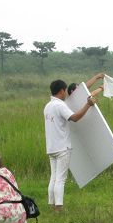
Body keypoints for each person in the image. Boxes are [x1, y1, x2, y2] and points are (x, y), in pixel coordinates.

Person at [44, 74, 104, 211]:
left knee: (53, 177)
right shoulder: (60, 105)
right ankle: (58, 208)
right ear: (61, 91)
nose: (65, 93)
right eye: (65, 91)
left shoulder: (47, 106)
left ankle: (51, 205)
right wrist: (88, 105)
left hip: (51, 147)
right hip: (62, 148)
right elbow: (75, 118)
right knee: (60, 179)